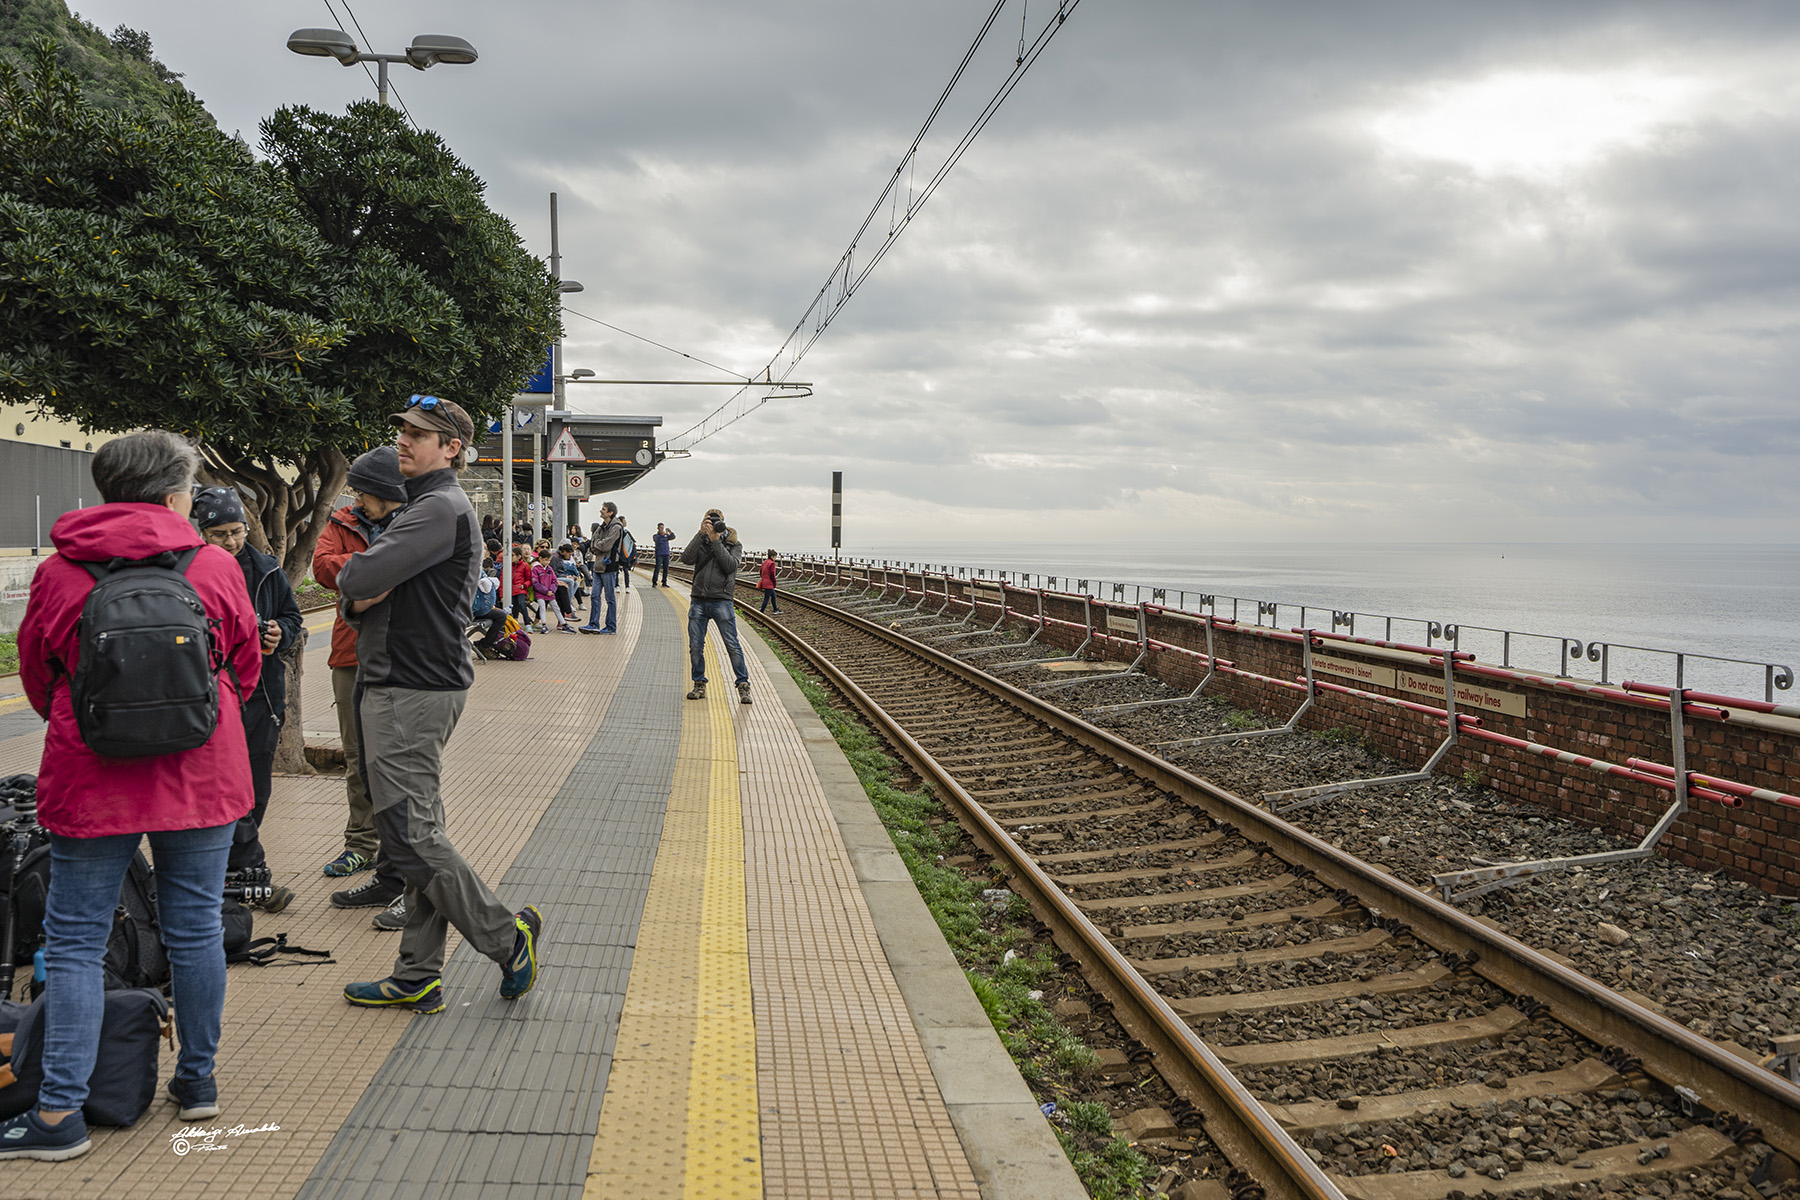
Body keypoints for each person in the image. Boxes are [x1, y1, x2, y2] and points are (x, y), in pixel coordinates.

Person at [2, 431, 262, 1159]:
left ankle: (58, 1116)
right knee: (196, 928)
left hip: (93, 779)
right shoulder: (212, 564)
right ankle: (199, 1084)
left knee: (77, 941)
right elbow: (243, 664)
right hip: (201, 775)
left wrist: (87, 723)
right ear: (177, 494)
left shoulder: (60, 572)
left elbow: (37, 674)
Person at [334, 394, 542, 1014]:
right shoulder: (428, 506)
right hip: (408, 682)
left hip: (410, 687)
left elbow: (356, 579)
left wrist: (360, 585)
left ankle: (508, 938)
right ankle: (417, 974)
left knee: (405, 834)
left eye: (419, 434)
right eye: (401, 430)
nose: (403, 440)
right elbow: (357, 593)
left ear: (451, 448)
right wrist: (359, 590)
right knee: (418, 830)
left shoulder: (435, 509)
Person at [192, 487, 303, 915]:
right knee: (224, 789)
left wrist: (281, 632)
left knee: (255, 789)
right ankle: (242, 872)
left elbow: (292, 616)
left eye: (237, 531)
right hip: (214, 697)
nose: (232, 541)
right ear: (202, 532)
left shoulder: (267, 569)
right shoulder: (190, 572)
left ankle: (234, 871)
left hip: (261, 697)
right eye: (220, 534)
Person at [312, 447, 408, 911]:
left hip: (398, 658)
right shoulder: (342, 522)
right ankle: (360, 845)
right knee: (357, 755)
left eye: (361, 489)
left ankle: (397, 858)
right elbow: (322, 567)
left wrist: (358, 576)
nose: (355, 496)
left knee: (395, 760)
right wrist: (371, 575)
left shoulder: (412, 523)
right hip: (348, 652)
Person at [681, 508, 752, 705]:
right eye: (709, 520)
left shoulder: (733, 544)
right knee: (695, 645)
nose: (712, 523)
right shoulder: (701, 540)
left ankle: (743, 685)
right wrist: (700, 533)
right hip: (699, 600)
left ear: (723, 522)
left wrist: (716, 541)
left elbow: (730, 566)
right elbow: (686, 558)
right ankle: (699, 684)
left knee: (732, 644)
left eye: (716, 520)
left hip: (722, 600)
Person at [580, 502, 624, 635]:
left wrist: (598, 544)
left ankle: (611, 626)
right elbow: (593, 543)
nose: (601, 511)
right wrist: (599, 544)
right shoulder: (601, 527)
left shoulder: (616, 527)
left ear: (610, 512)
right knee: (594, 596)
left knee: (610, 598)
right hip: (598, 566)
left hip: (609, 566)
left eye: (603, 509)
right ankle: (593, 624)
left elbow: (606, 545)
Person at [509, 544, 533, 626]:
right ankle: (515, 622)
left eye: (512, 555)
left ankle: (527, 623)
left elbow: (529, 579)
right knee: (513, 605)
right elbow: (502, 580)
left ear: (519, 556)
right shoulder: (508, 565)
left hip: (520, 589)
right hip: (510, 589)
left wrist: (524, 586)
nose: (511, 557)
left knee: (522, 604)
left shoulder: (525, 566)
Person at [758, 549, 781, 613]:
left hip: (765, 582)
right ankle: (762, 611)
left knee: (773, 596)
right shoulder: (772, 563)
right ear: (772, 556)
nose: (775, 558)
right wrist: (774, 581)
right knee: (767, 597)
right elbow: (772, 574)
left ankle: (775, 609)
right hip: (769, 583)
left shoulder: (764, 562)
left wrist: (763, 578)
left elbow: (760, 571)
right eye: (775, 556)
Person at [652, 522, 673, 587]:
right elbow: (656, 540)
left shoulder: (666, 536)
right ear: (658, 528)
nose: (662, 529)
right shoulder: (656, 536)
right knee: (657, 568)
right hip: (659, 554)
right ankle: (654, 582)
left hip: (666, 554)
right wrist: (662, 535)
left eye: (663, 528)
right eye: (661, 528)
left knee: (666, 569)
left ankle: (664, 582)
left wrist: (670, 532)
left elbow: (673, 537)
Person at [617, 517, 634, 590]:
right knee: (616, 571)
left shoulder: (627, 532)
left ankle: (627, 586)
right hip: (618, 554)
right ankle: (616, 585)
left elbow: (632, 542)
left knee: (626, 571)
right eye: (624, 521)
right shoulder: (617, 531)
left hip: (626, 554)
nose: (625, 522)